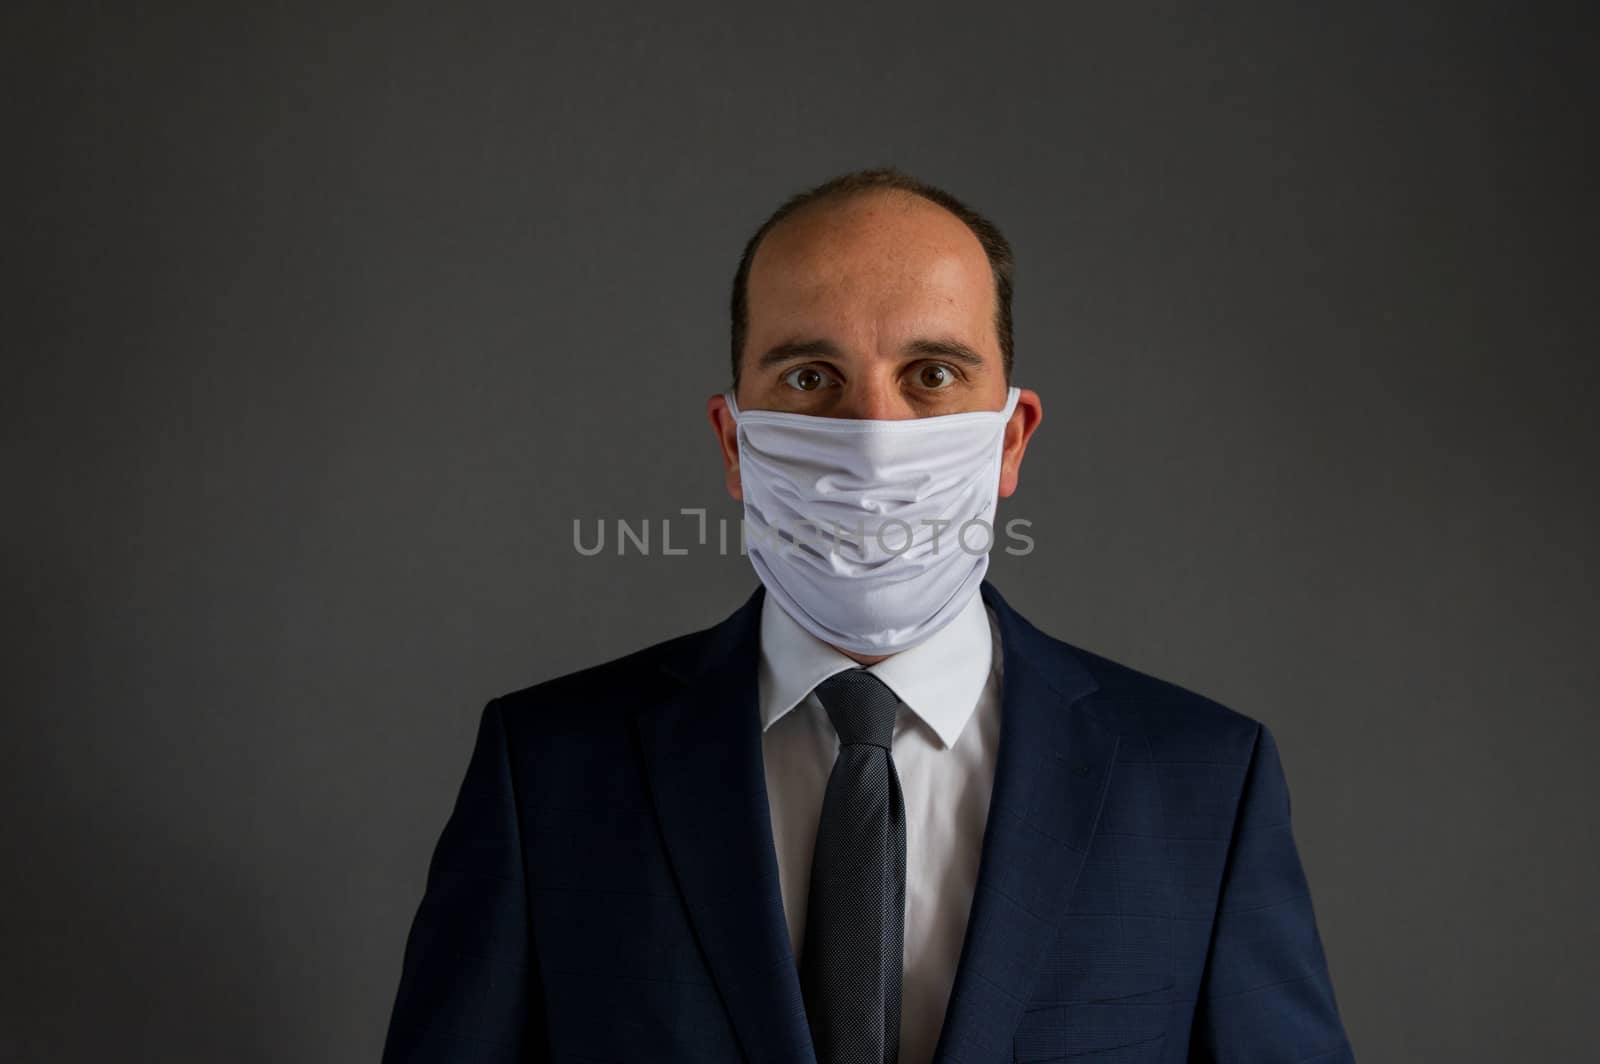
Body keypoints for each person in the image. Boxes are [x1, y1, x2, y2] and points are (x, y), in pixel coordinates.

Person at [380, 167, 1355, 1064]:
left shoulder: (1197, 782)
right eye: (810, 378)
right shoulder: (548, 770)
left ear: (1009, 438)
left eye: (932, 374)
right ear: (733, 440)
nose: (873, 442)